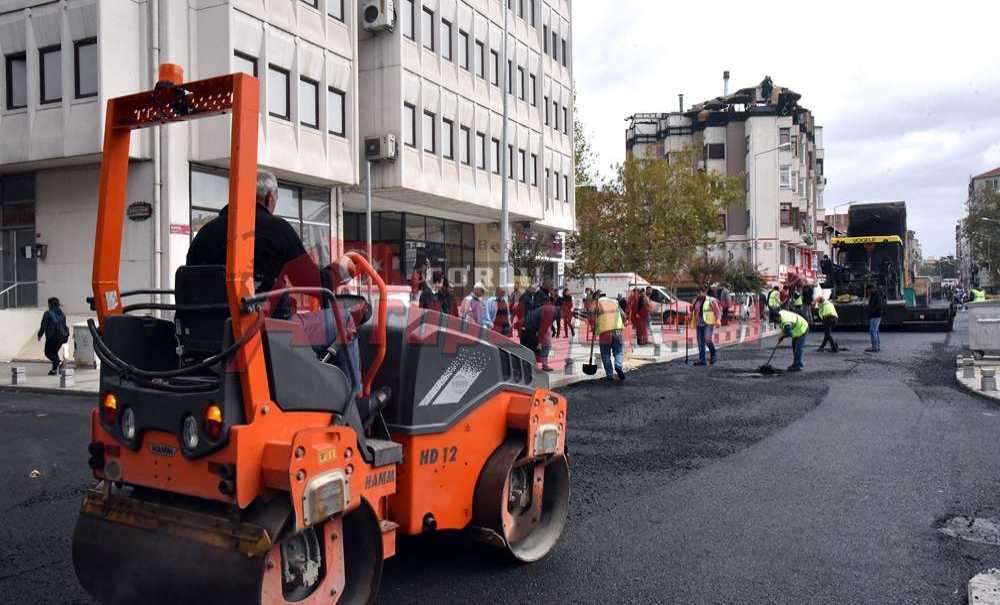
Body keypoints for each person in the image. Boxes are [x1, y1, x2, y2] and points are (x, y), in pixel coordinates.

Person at [187, 170, 361, 391]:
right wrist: (340, 269)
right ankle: (355, 404)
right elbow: (317, 285)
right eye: (276, 199)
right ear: (269, 198)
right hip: (262, 335)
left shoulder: (204, 234)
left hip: (207, 337)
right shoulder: (277, 230)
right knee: (344, 320)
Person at [592, 290, 626, 382]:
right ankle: (618, 365)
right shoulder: (615, 302)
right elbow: (623, 315)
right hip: (617, 330)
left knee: (605, 354)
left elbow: (592, 318)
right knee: (618, 351)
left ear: (596, 297)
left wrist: (593, 330)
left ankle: (610, 374)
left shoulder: (597, 303)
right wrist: (623, 323)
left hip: (604, 332)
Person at [38, 297, 69, 375]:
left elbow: (43, 326)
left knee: (48, 352)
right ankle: (54, 370)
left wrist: (39, 335)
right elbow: (64, 325)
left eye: (48, 304)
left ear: (50, 304)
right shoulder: (62, 314)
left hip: (52, 337)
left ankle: (59, 362)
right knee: (54, 353)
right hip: (62, 337)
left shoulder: (48, 313)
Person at [692, 286, 722, 366]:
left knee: (707, 339)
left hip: (708, 323)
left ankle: (713, 355)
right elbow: (694, 311)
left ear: (704, 292)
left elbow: (717, 312)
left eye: (700, 292)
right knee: (700, 342)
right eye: (697, 293)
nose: (698, 294)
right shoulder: (696, 301)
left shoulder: (711, 300)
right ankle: (702, 360)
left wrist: (718, 320)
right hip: (699, 323)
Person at [866, 285, 883, 353]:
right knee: (876, 331)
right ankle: (877, 346)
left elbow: (877, 306)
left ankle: (874, 347)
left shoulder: (876, 296)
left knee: (873, 331)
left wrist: (871, 312)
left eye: (868, 290)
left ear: (871, 289)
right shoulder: (875, 295)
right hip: (876, 315)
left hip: (875, 315)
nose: (868, 291)